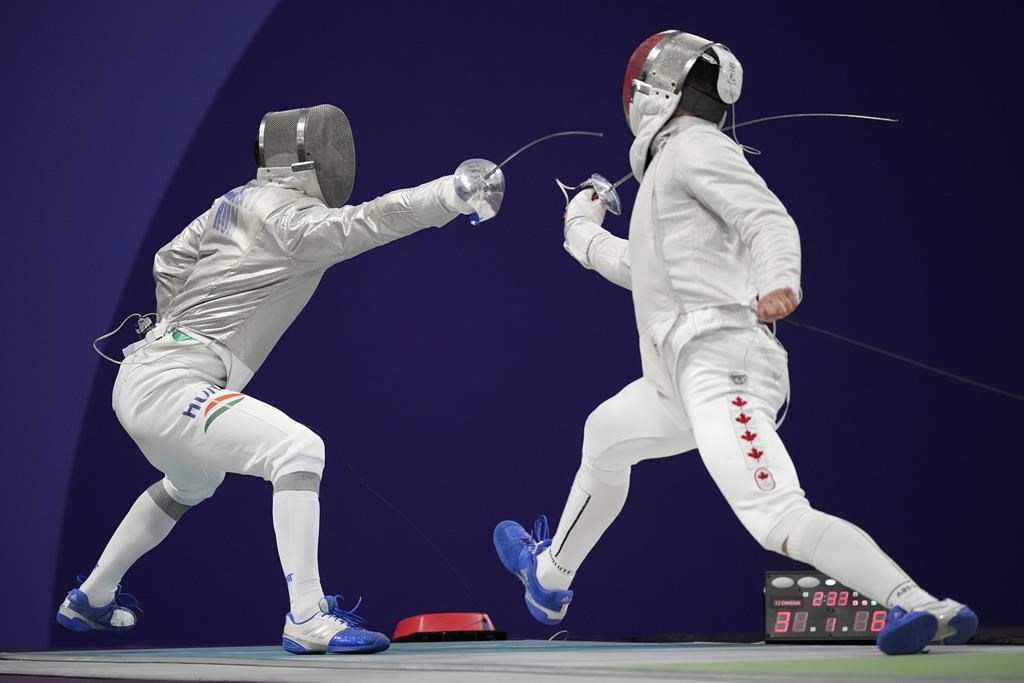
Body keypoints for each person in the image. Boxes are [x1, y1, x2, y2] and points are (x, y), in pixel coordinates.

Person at [493, 32, 977, 656]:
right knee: (603, 436)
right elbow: (643, 268)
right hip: (675, 376)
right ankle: (550, 579)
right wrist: (581, 230)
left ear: (655, 93)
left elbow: (766, 218)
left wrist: (780, 278)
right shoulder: (669, 167)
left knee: (775, 515)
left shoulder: (697, 148)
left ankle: (917, 604)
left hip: (722, 365)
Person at [57, 104, 493, 655]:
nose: (338, 160)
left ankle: (92, 597)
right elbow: (369, 221)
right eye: (330, 151)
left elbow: (168, 262)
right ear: (311, 160)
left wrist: (179, 329)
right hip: (169, 383)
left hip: (148, 375)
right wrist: (451, 194)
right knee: (298, 450)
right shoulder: (294, 222)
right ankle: (307, 616)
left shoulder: (231, 202)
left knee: (193, 483)